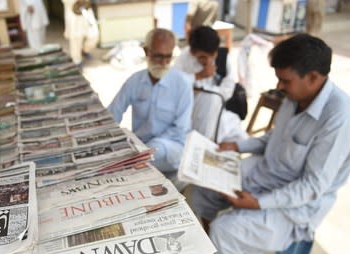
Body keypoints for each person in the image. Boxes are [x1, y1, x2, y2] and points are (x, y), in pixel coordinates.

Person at [193, 34, 350, 254]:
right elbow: (275, 137)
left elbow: (311, 187)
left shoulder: (340, 120)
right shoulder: (296, 95)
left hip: (298, 204)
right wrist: (238, 146)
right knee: (205, 186)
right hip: (267, 171)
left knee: (226, 229)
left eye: (285, 80)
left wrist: (257, 203)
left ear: (314, 77)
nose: (279, 86)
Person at [107, 28, 193, 173]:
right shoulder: (135, 81)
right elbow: (113, 114)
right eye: (158, 57)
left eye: (168, 57)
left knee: (155, 152)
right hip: (140, 146)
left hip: (171, 147)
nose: (164, 63)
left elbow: (180, 129)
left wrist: (148, 148)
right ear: (147, 52)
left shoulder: (182, 84)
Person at [174, 26, 247, 143]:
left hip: (217, 112)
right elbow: (175, 85)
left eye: (213, 56)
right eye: (202, 57)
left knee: (240, 139)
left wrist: (210, 93)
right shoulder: (184, 58)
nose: (208, 61)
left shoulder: (224, 58)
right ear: (193, 52)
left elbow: (227, 90)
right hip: (189, 111)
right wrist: (198, 76)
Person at [61, 0, 99, 66]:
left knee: (94, 35)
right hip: (73, 13)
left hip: (86, 12)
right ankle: (77, 61)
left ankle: (85, 50)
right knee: (76, 39)